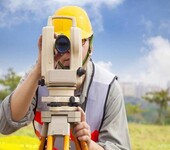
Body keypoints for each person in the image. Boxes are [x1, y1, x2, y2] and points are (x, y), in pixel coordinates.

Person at [0, 5, 131, 150]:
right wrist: (39, 70)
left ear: (91, 45)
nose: (68, 49)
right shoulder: (38, 76)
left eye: (78, 41)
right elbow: (5, 125)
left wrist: (89, 144)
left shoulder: (107, 87)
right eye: (62, 42)